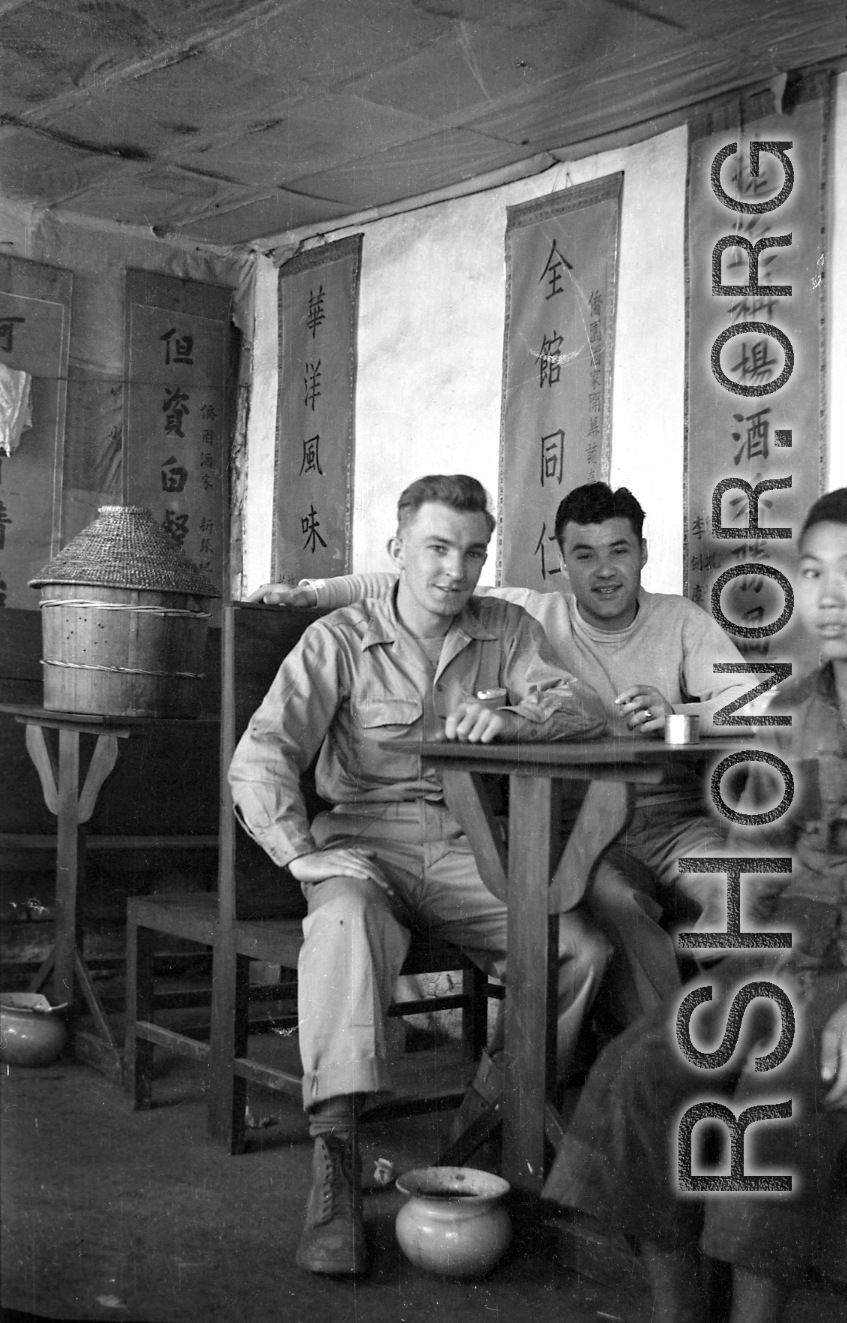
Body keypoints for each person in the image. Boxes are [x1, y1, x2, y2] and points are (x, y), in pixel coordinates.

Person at [229, 474, 608, 1277]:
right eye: (436, 547)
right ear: (398, 548)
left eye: (472, 552)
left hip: (474, 849)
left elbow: (578, 708)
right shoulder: (338, 638)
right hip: (367, 845)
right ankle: (334, 1161)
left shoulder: (504, 629)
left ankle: (486, 1112)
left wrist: (514, 719)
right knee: (342, 923)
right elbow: (262, 756)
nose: (454, 569)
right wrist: (300, 853)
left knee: (577, 944)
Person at [251, 482, 754, 1018]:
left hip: (673, 820)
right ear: (562, 561)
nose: (604, 571)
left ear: (644, 553)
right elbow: (420, 578)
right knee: (613, 904)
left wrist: (681, 717)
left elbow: (755, 700)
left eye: (620, 551)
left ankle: (721, 1030)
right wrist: (313, 592)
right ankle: (651, 1056)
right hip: (581, 827)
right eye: (585, 554)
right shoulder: (531, 611)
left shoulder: (681, 621)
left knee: (742, 889)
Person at [540, 488, 847, 1323]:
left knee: (770, 1097)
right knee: (635, 1072)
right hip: (790, 945)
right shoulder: (803, 705)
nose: (829, 596)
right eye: (814, 571)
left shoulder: (686, 628)